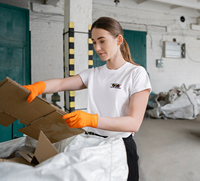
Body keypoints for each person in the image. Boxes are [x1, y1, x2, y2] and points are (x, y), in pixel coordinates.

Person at [23, 17, 151, 181]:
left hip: (120, 146)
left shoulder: (135, 73)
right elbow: (62, 83)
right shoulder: (93, 74)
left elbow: (134, 123)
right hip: (92, 143)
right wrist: (38, 87)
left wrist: (91, 120)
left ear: (119, 39)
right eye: (94, 42)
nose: (97, 47)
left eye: (102, 41)